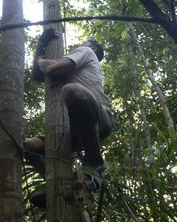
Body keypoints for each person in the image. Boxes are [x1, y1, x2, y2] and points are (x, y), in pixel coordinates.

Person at [24, 29, 114, 208]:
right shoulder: (74, 68)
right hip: (78, 129)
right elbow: (37, 74)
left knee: (71, 90)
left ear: (94, 49)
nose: (82, 45)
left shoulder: (87, 52)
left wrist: (43, 61)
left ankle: (95, 166)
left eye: (87, 43)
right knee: (29, 147)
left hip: (99, 117)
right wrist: (41, 44)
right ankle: (57, 186)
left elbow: (52, 68)